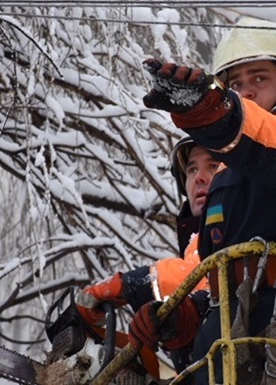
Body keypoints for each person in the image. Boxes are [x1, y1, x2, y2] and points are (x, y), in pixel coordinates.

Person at [129, 16, 276, 385]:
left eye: (260, 78)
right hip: (234, 335)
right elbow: (227, 267)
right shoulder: (231, 169)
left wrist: (217, 111)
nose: (246, 92)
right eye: (235, 84)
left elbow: (272, 136)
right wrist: (190, 315)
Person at [75, 136, 218, 372]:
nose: (199, 178)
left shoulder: (236, 227)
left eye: (212, 166)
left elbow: (191, 274)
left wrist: (126, 285)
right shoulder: (198, 241)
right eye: (192, 169)